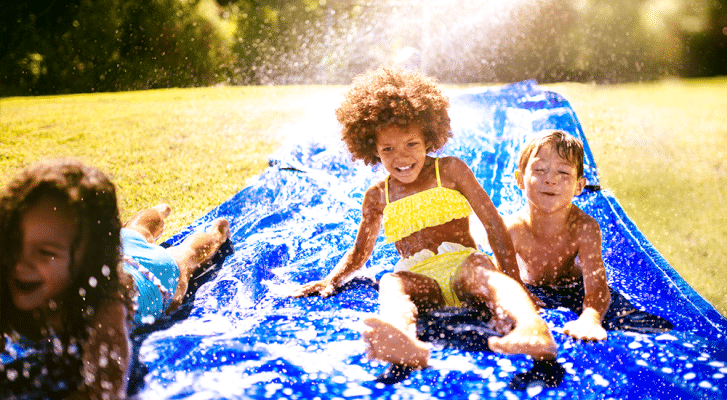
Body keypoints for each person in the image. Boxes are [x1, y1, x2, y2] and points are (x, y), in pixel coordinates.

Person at [290, 67, 557, 376]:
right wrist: (332, 279)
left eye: (411, 144)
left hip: (463, 263)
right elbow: (360, 251)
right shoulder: (378, 196)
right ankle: (403, 340)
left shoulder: (451, 170)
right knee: (391, 283)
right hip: (420, 278)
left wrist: (515, 280)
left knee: (487, 275)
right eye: (387, 148)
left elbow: (494, 225)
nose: (401, 157)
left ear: (428, 137)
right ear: (372, 149)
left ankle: (532, 326)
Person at [0, 158, 230, 399]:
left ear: (84, 261)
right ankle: (159, 213)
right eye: (14, 242)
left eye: (45, 253)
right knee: (133, 232)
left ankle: (215, 234)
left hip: (153, 278)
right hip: (123, 247)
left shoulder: (106, 309)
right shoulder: (11, 277)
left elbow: (105, 393)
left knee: (186, 256)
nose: (20, 262)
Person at [506, 130, 671, 342]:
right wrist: (519, 297)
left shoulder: (584, 228)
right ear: (520, 179)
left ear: (579, 186)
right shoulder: (513, 229)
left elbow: (597, 287)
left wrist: (591, 318)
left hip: (573, 288)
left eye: (563, 173)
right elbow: (503, 277)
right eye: (539, 169)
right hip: (532, 286)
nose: (551, 179)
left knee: (620, 316)